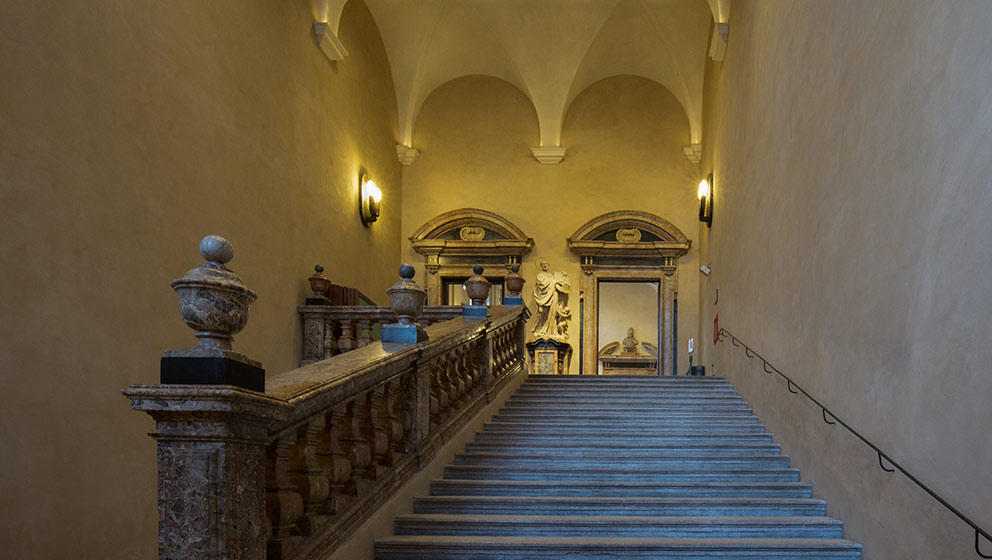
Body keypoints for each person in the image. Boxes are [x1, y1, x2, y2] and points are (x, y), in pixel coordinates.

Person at [532, 258, 571, 341]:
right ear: (541, 266)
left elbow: (560, 283)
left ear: (548, 266)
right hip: (544, 299)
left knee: (553, 314)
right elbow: (543, 284)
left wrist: (563, 276)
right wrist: (555, 281)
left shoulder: (551, 276)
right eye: (543, 264)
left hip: (553, 297)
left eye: (546, 264)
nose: (545, 265)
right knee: (543, 314)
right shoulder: (540, 275)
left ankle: (552, 331)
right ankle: (543, 329)